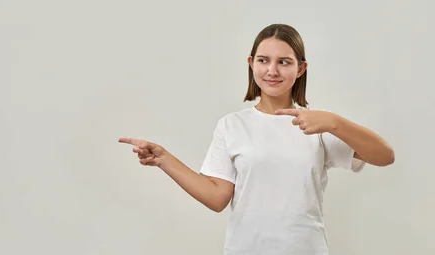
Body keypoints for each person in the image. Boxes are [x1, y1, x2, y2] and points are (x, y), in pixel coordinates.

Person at [118, 23, 395, 255]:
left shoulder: (318, 125)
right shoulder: (232, 125)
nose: (272, 70)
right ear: (252, 64)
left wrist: (335, 123)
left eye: (284, 62)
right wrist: (165, 159)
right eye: (264, 60)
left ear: (300, 68)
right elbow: (217, 198)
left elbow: (384, 156)